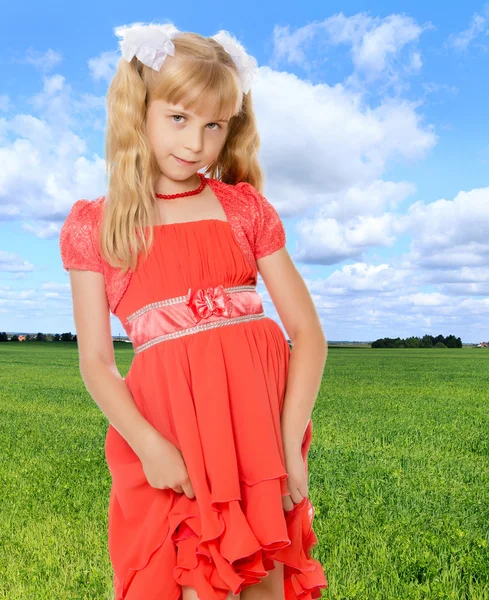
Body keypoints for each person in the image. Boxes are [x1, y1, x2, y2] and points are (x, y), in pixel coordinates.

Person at [59, 21, 329, 600]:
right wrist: (150, 448)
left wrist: (286, 449)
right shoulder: (94, 225)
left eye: (214, 125)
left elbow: (307, 334)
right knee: (181, 577)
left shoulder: (245, 210)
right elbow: (97, 365)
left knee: (263, 579)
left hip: (257, 439)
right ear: (140, 111)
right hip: (169, 440)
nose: (196, 142)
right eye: (178, 118)